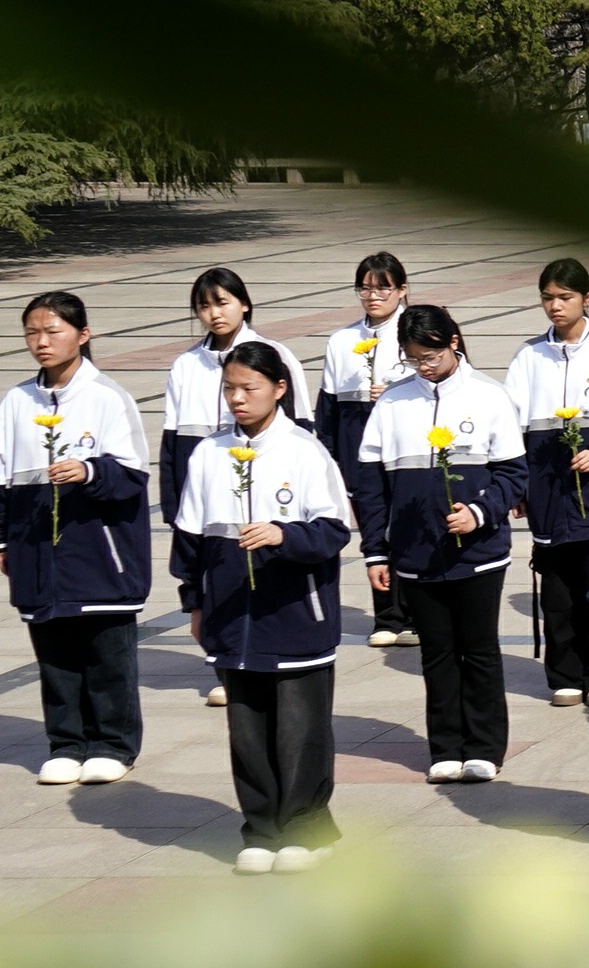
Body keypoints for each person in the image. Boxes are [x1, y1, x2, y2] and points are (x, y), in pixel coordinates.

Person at [176, 341, 351, 872]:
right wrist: (195, 602)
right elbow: (190, 538)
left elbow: (333, 531)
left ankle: (305, 828)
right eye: (229, 388)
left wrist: (282, 534)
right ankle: (261, 827)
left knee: (300, 729)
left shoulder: (304, 451)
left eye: (248, 388)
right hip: (232, 620)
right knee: (246, 730)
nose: (237, 398)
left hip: (296, 615)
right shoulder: (209, 454)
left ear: (279, 389)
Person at [371, 305, 526, 785]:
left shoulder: (489, 396)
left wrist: (478, 513)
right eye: (414, 358)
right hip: (416, 556)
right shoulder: (392, 404)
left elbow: (513, 474)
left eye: (431, 355)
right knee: (435, 652)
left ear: (454, 342)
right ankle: (445, 745)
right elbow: (371, 485)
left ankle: (483, 747)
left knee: (478, 649)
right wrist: (377, 549)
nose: (424, 366)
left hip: (479, 554)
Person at [9, 292, 152, 786]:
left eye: (53, 331)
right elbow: (6, 478)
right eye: (32, 332)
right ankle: (66, 742)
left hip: (98, 550)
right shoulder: (16, 401)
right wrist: (5, 542)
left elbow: (133, 475)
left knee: (105, 653)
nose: (41, 342)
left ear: (82, 335)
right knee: (54, 652)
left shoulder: (107, 397)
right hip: (38, 553)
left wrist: (89, 471)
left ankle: (113, 743)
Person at [505, 255, 589, 710]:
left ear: (587, 299)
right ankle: (564, 672)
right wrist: (521, 486)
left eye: (564, 297)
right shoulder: (529, 356)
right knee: (558, 588)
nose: (555, 306)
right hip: (548, 487)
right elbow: (511, 427)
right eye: (547, 298)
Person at [162, 268, 305, 706]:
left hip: (266, 490)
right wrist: (174, 503)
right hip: (208, 489)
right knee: (215, 577)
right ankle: (224, 666)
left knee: (259, 574)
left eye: (221, 302)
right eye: (204, 306)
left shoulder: (274, 354)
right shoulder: (186, 365)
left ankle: (262, 656)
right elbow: (172, 439)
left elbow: (301, 431)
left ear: (244, 303)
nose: (213, 313)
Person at [319, 251, 414, 647]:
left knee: (408, 525)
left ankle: (413, 613)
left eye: (382, 288)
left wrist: (395, 390)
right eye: (365, 288)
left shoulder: (413, 332)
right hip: (359, 449)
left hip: (406, 447)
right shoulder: (342, 341)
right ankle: (387, 616)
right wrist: (330, 460)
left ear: (401, 290)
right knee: (375, 528)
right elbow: (328, 408)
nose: (373, 296)